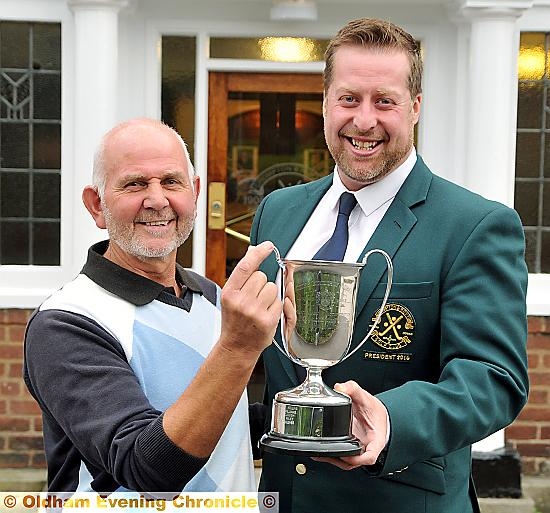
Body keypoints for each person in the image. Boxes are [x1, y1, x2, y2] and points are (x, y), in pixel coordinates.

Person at [250, 17, 529, 513]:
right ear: (326, 102)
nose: (364, 120)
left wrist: (391, 419)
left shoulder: (475, 224)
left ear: (415, 107)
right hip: (282, 500)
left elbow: (492, 378)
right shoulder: (279, 210)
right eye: (349, 99)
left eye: (385, 101)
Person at [23, 118, 282, 494]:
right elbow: (147, 470)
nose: (157, 199)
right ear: (96, 205)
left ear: (194, 194)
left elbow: (228, 422)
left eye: (171, 182)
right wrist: (238, 347)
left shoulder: (211, 297)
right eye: (135, 184)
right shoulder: (66, 321)